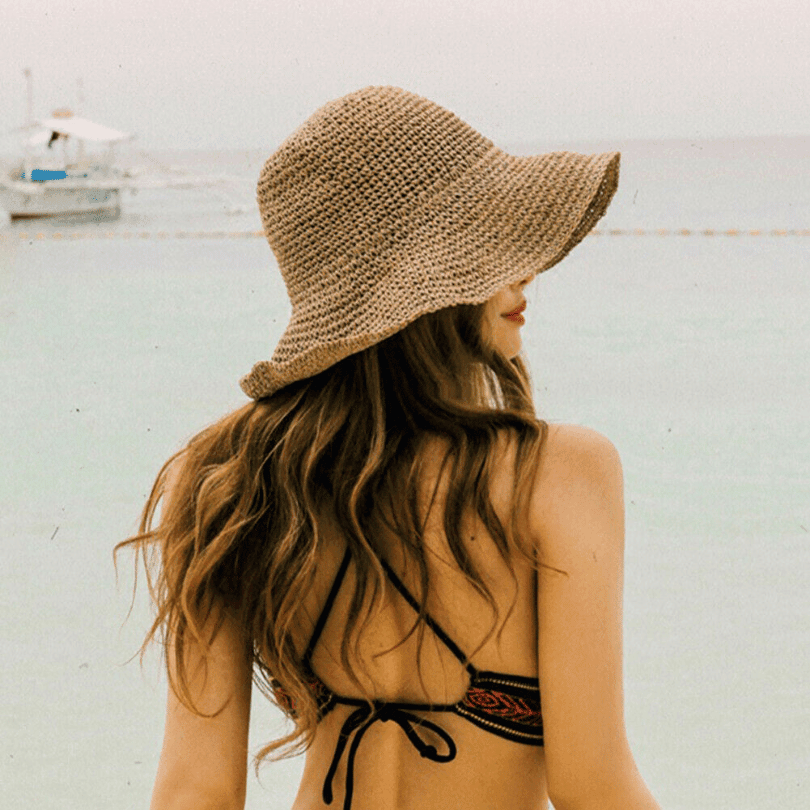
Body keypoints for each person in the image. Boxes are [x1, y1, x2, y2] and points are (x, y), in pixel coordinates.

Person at [120, 86, 662, 810]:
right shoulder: (560, 473)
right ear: (430, 279)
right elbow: (592, 787)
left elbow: (195, 791)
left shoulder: (225, 477)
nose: (526, 270)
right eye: (490, 243)